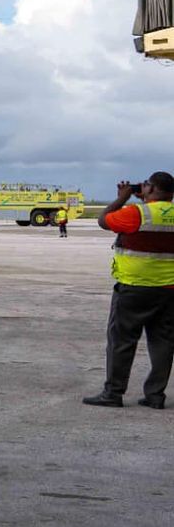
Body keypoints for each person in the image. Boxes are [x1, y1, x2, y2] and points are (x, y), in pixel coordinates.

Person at [83, 172, 174, 409]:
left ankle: (113, 392)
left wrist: (123, 198)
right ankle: (155, 395)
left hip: (134, 287)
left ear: (151, 189)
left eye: (145, 185)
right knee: (163, 341)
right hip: (169, 290)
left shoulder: (137, 213)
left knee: (122, 341)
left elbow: (104, 220)